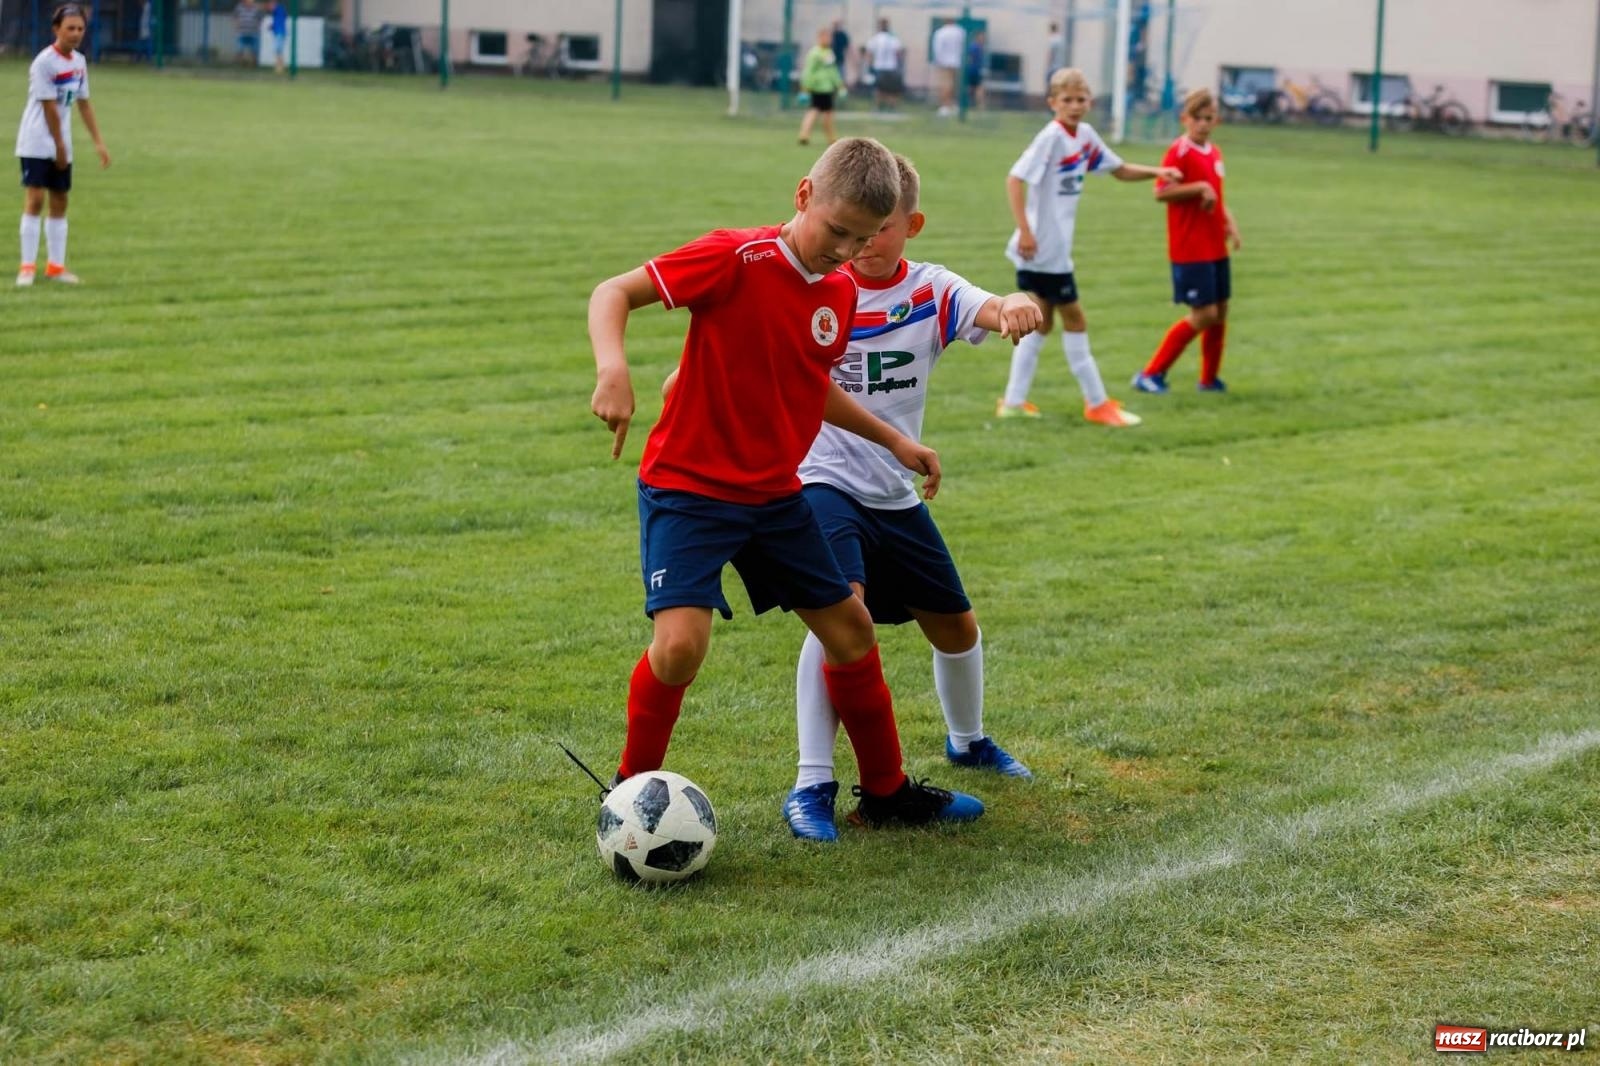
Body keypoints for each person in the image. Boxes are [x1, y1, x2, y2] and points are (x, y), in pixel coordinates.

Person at [587, 137, 984, 830]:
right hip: (690, 489)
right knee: (680, 647)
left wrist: (892, 439)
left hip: (774, 496)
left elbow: (809, 383)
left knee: (852, 631)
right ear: (804, 195)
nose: (846, 251)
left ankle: (886, 794)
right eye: (838, 231)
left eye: (864, 238)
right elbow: (612, 293)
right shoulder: (734, 256)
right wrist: (612, 369)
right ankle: (628, 792)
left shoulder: (838, 290)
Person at [781, 153, 1043, 842]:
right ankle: (812, 782)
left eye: (883, 229)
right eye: (856, 231)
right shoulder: (818, 283)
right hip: (820, 479)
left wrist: (1017, 303)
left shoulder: (929, 289)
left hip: (895, 491)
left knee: (956, 627)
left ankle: (968, 741)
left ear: (912, 225)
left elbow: (991, 307)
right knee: (841, 617)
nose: (864, 243)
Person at [995, 67, 1181, 427]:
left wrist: (1158, 173)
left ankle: (1014, 402)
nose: (1075, 106)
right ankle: (1096, 403)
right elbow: (1015, 179)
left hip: (1051, 250)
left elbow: (1118, 169)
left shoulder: (1084, 136)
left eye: (1081, 99)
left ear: (1090, 102)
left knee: (1041, 323)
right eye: (1067, 100)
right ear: (1053, 103)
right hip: (1044, 251)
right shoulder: (1051, 137)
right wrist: (1026, 231)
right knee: (1075, 319)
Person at [1133, 88, 1241, 394]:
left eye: (1209, 118)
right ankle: (1150, 374)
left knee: (1220, 311)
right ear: (1185, 119)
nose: (1203, 124)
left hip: (1214, 246)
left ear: (1216, 121)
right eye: (1197, 118)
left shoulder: (1215, 152)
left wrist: (1229, 223)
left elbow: (1216, 195)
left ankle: (1209, 380)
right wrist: (1199, 188)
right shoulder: (1179, 152)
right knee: (1204, 314)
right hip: (1190, 248)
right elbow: (1161, 192)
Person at [15, 3, 109, 288]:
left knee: (60, 199)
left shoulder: (79, 62)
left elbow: (84, 104)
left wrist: (98, 142)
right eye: (70, 28)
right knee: (35, 199)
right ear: (56, 29)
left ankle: (55, 267)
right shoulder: (44, 62)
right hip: (36, 140)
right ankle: (27, 267)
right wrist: (58, 146)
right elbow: (49, 109)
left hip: (60, 142)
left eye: (80, 28)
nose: (76, 33)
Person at [797, 26, 843, 147]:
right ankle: (804, 135)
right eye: (826, 37)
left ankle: (830, 138)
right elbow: (809, 71)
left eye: (829, 37)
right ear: (820, 37)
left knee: (826, 113)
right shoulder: (814, 53)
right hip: (817, 87)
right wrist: (805, 87)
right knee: (815, 111)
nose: (828, 40)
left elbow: (833, 70)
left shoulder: (829, 53)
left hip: (827, 88)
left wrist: (839, 84)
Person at [862, 18, 903, 111]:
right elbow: (898, 53)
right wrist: (898, 64)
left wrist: (870, 66)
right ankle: (892, 107)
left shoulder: (875, 39)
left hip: (879, 67)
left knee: (878, 88)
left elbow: (869, 54)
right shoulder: (893, 39)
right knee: (892, 89)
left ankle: (877, 106)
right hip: (891, 67)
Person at [930, 17, 965, 117]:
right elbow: (963, 46)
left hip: (944, 62)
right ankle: (953, 104)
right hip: (957, 61)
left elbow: (937, 48)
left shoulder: (941, 32)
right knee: (955, 84)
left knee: (945, 84)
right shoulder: (960, 32)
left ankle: (945, 106)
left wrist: (938, 61)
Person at [964, 29, 987, 112]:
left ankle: (975, 105)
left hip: (976, 70)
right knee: (976, 88)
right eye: (982, 37)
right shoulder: (974, 47)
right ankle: (980, 106)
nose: (983, 39)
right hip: (973, 71)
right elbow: (969, 59)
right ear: (977, 37)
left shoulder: (979, 47)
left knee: (975, 88)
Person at [233, 0, 261, 66]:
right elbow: (235, 16)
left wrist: (258, 26)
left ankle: (254, 63)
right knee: (240, 48)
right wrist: (236, 25)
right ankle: (242, 63)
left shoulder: (256, 8)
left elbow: (260, 18)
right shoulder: (239, 7)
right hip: (242, 32)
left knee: (254, 49)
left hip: (253, 32)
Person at [268, 0, 288, 74]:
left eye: (270, 5)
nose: (269, 7)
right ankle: (281, 67)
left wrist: (273, 26)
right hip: (279, 33)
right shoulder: (277, 12)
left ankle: (279, 67)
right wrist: (272, 26)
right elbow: (279, 21)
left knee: (277, 50)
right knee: (279, 51)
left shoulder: (278, 10)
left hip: (280, 33)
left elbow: (279, 21)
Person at [829, 18, 850, 86]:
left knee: (841, 76)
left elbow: (847, 47)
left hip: (840, 58)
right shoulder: (831, 35)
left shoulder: (842, 35)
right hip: (830, 59)